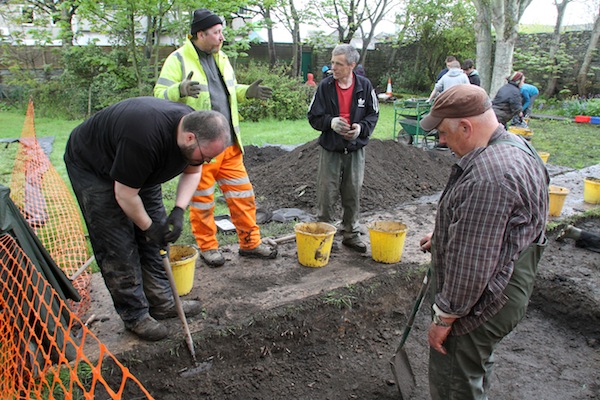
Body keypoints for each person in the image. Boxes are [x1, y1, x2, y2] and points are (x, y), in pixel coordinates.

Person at [418, 84, 549, 399]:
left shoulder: (488, 177)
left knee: (455, 385)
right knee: (474, 366)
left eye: (445, 133)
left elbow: (473, 267)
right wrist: (450, 231)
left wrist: (445, 317)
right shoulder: (517, 146)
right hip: (511, 288)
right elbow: (506, 220)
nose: (442, 141)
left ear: (466, 126)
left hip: (481, 303)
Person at [64, 97, 231, 341]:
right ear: (189, 138)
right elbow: (124, 194)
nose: (207, 162)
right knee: (117, 243)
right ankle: (135, 315)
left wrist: (178, 210)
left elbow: (194, 170)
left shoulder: (193, 128)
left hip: (141, 170)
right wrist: (148, 227)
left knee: (157, 240)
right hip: (95, 169)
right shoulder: (142, 138)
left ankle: (162, 302)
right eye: (206, 156)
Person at [154, 8, 277, 267]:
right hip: (201, 147)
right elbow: (158, 95)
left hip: (229, 144)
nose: (222, 37)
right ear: (201, 33)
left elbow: (227, 92)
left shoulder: (221, 58)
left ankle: (250, 243)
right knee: (202, 202)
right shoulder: (178, 59)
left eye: (222, 32)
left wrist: (247, 92)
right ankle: (208, 247)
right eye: (217, 32)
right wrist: (180, 89)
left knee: (243, 196)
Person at [307, 44, 379, 253]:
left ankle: (350, 233)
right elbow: (313, 116)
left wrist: (360, 129)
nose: (333, 68)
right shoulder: (325, 86)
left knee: (352, 192)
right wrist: (330, 123)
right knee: (325, 194)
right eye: (332, 62)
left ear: (351, 65)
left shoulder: (364, 86)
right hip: (331, 149)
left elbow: (373, 114)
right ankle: (324, 234)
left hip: (355, 149)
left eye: (338, 64)